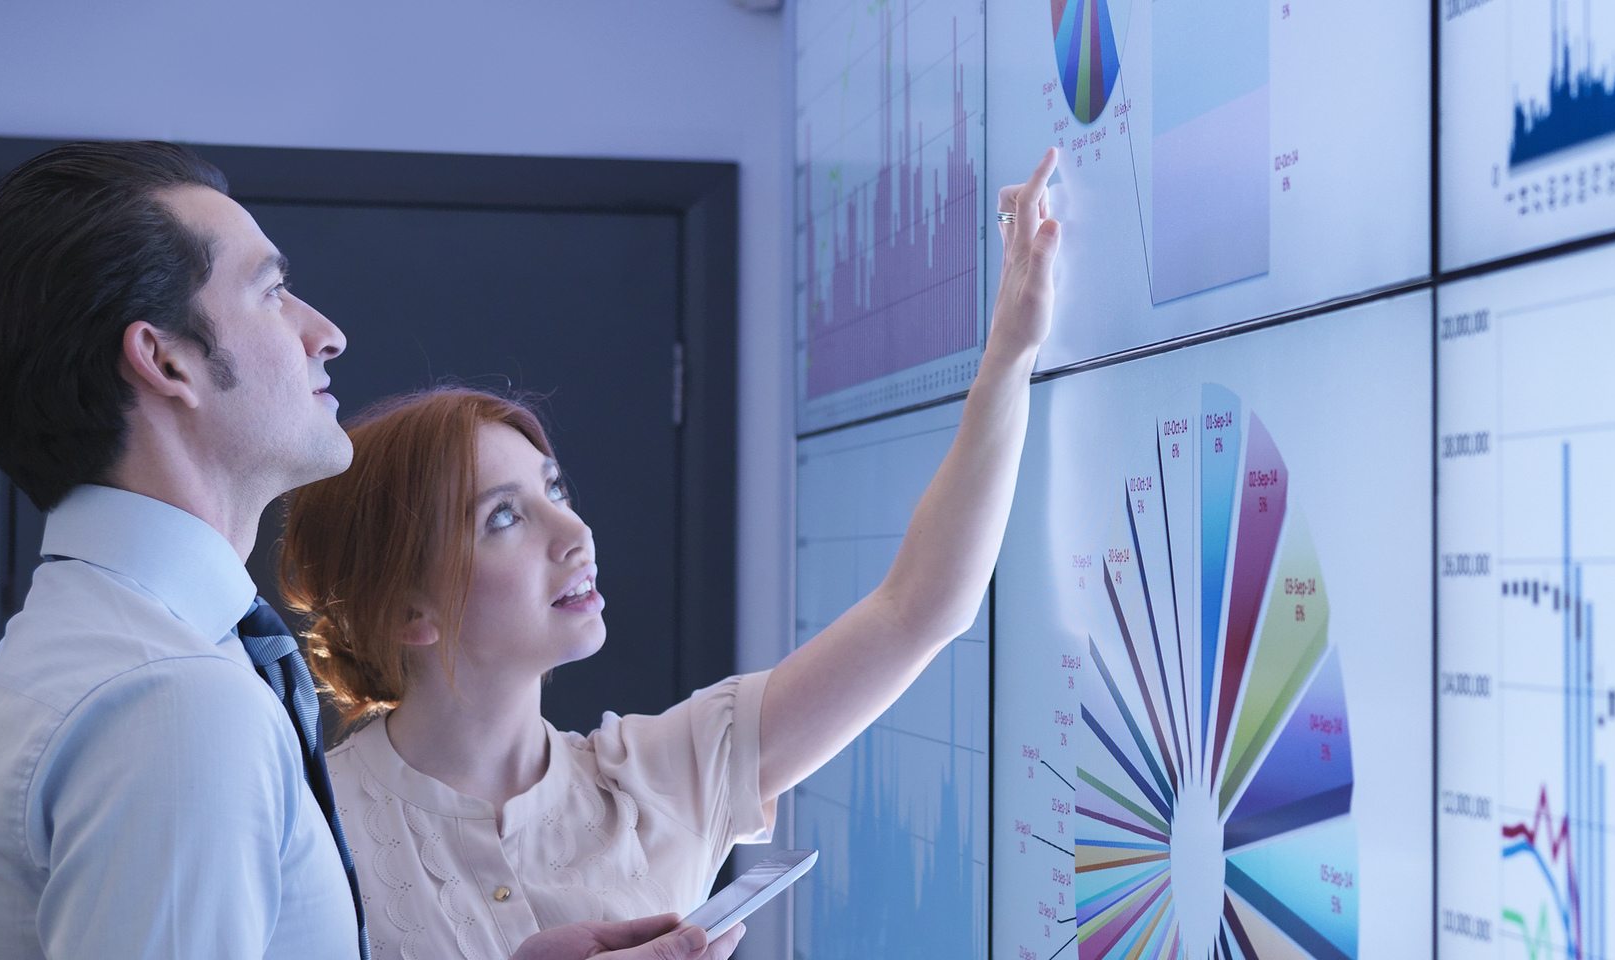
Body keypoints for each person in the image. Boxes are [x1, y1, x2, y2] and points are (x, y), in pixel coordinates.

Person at [0, 140, 736, 960]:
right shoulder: (172, 705)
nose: (326, 333)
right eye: (272, 291)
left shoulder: (97, 650)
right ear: (165, 359)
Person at [267, 152, 1063, 960]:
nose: (574, 534)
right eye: (503, 517)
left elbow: (919, 607)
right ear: (409, 613)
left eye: (556, 491)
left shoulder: (664, 778)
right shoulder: (304, 824)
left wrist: (1008, 356)